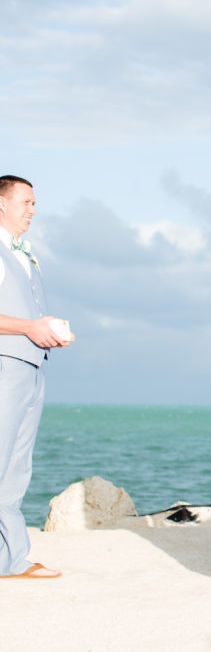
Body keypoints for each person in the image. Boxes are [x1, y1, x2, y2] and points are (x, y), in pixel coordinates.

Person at [0, 175, 71, 580]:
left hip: (30, 368)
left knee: (15, 469)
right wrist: (30, 327)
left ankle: (9, 558)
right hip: (6, 367)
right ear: (2, 204)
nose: (32, 209)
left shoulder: (24, 254)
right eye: (25, 202)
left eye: (34, 203)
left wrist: (45, 332)